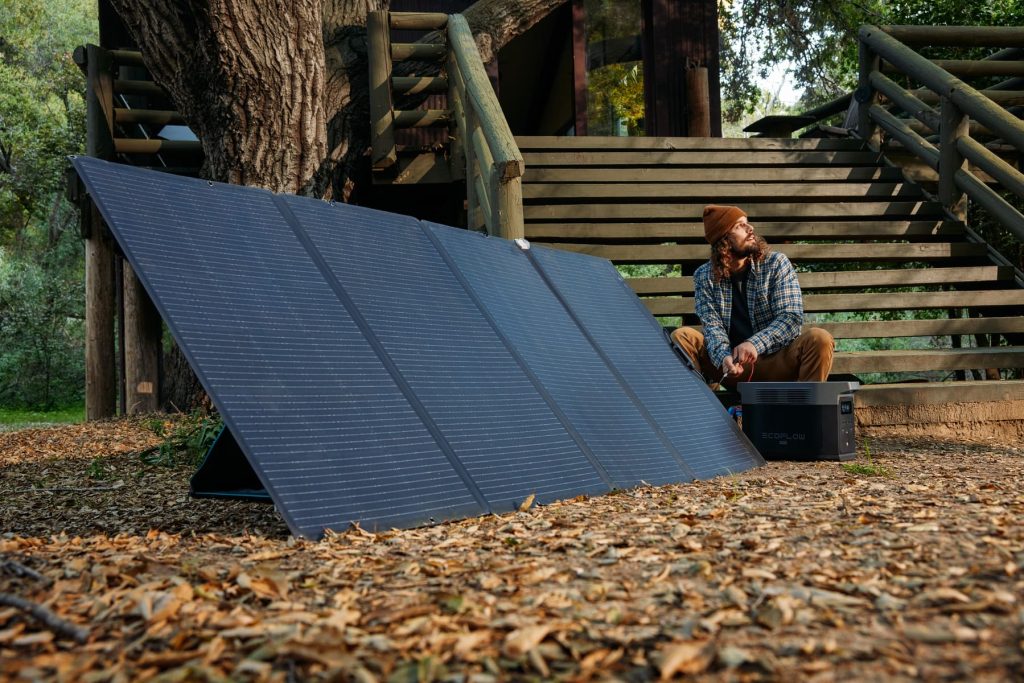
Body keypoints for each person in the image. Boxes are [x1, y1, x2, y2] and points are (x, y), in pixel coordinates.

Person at [671, 204, 834, 386]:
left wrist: (754, 344)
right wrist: (723, 357)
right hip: (734, 368)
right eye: (740, 225)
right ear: (723, 239)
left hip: (775, 362)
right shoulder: (704, 276)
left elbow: (791, 319)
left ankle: (807, 411)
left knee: (819, 338)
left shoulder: (776, 263)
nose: (750, 229)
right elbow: (712, 326)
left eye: (747, 223)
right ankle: (703, 408)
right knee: (682, 336)